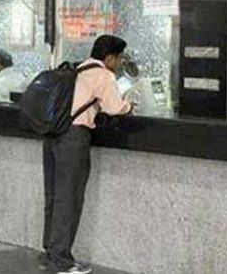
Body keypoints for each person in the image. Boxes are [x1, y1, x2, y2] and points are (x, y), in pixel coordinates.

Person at [41, 35, 134, 274]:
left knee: (54, 195)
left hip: (52, 136)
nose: (120, 63)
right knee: (69, 198)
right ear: (110, 57)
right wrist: (129, 106)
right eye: (119, 58)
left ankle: (49, 252)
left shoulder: (76, 69)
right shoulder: (103, 75)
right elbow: (114, 107)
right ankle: (61, 260)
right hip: (73, 138)